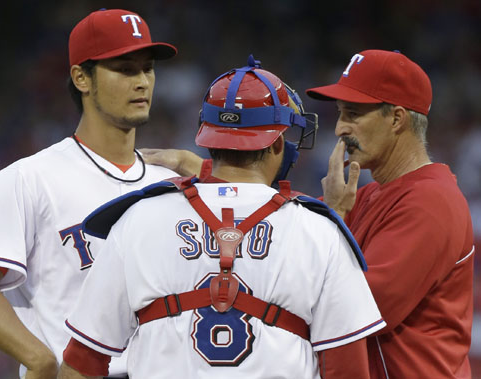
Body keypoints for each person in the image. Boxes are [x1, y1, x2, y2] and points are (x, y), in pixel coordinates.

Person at [57, 56, 385, 379]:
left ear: (208, 138)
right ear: (277, 145)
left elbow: (81, 363)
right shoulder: (319, 230)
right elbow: (348, 370)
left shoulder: (138, 219)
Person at [0, 8, 178, 378]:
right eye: (125, 69)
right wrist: (38, 358)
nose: (142, 81)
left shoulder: (171, 184)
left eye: (147, 68)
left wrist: (202, 169)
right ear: (82, 78)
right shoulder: (28, 179)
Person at [306, 49, 475, 378]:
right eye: (340, 114)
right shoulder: (371, 193)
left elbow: (360, 310)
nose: (341, 128)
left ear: (396, 119)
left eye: (353, 114)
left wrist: (334, 214)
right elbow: (281, 227)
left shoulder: (430, 201)